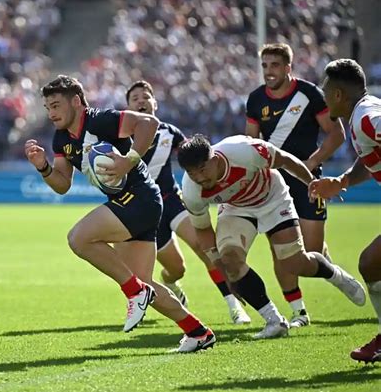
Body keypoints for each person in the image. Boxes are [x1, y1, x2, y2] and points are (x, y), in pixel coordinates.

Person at [24, 75, 215, 353]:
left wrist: (130, 160)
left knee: (78, 238)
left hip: (140, 198)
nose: (51, 113)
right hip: (135, 204)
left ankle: (134, 291)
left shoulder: (100, 119)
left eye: (55, 106)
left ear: (76, 102)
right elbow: (62, 184)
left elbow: (148, 123)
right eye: (47, 108)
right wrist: (43, 168)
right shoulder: (61, 139)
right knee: (145, 283)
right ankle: (198, 332)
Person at [177, 134, 366, 339]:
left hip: (273, 199)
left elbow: (284, 160)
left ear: (214, 158)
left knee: (294, 264)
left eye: (202, 170)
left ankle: (335, 275)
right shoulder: (191, 190)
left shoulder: (244, 150)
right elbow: (203, 230)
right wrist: (223, 270)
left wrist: (312, 182)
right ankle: (274, 321)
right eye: (191, 173)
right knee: (230, 261)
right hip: (236, 208)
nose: (199, 178)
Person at [123, 80, 250, 324]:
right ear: (127, 107)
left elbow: (196, 157)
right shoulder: (122, 138)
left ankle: (234, 306)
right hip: (146, 213)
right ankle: (172, 284)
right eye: (135, 98)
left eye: (145, 96)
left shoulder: (169, 133)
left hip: (172, 202)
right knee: (176, 269)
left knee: (206, 250)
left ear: (154, 104)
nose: (141, 101)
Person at [246, 43, 345, 327]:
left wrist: (311, 165)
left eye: (275, 65)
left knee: (310, 253)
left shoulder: (310, 94)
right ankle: (299, 312)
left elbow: (336, 134)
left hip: (307, 181)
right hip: (274, 185)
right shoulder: (255, 100)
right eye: (265, 66)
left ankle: (331, 270)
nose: (269, 72)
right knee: (285, 250)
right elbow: (251, 140)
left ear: (288, 67)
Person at [309, 59, 381, 363]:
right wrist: (343, 181)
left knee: (371, 263)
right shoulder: (362, 113)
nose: (323, 98)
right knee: (372, 264)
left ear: (338, 95)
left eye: (326, 91)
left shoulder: (366, 115)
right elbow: (370, 158)